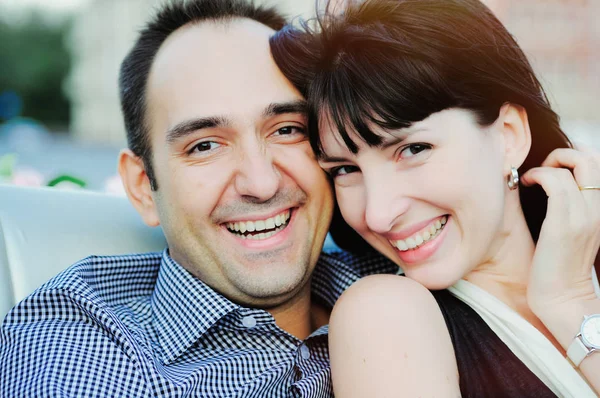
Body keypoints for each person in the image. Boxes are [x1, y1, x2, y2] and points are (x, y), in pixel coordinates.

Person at [0, 1, 399, 396]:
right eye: (205, 145)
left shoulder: (401, 260)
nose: (261, 184)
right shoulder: (83, 352)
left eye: (287, 129)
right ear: (143, 186)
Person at [270, 0, 600, 396]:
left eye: (412, 150)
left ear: (508, 135)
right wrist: (571, 303)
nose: (377, 214)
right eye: (345, 170)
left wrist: (571, 303)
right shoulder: (384, 317)